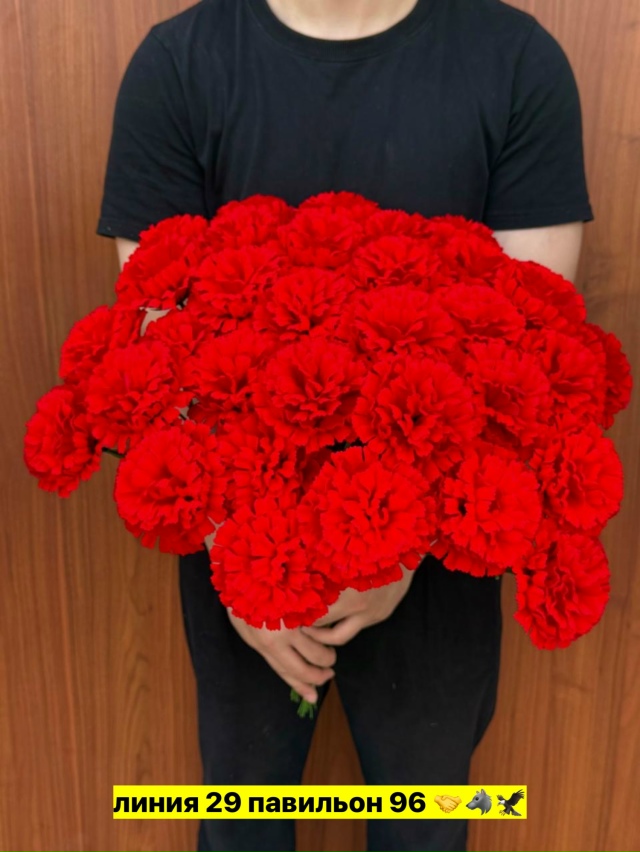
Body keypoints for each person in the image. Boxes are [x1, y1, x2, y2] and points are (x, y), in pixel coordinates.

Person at [96, 1, 594, 850]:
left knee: (427, 826)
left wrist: (392, 550)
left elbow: (528, 350)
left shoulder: (516, 61)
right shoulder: (179, 64)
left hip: (439, 546)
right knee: (240, 822)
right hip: (240, 534)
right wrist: (249, 565)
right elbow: (156, 347)